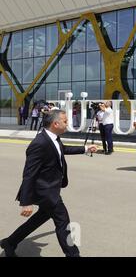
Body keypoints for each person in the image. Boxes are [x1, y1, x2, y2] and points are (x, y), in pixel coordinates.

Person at [0, 110, 97, 257]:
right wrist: (26, 202)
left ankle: (10, 242)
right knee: (63, 224)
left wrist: (85, 148)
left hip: (50, 189)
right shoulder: (39, 143)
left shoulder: (53, 138)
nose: (67, 124)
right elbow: (29, 174)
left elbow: (61, 150)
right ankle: (73, 254)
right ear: (55, 123)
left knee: (39, 219)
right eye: (65, 121)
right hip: (46, 192)